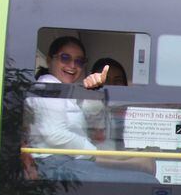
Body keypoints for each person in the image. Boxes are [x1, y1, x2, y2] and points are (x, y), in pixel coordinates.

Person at [25, 36, 154, 181]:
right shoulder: (48, 85)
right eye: (65, 58)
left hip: (69, 162)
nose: (73, 65)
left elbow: (91, 113)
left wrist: (95, 88)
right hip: (53, 164)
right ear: (49, 60)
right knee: (145, 181)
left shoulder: (66, 92)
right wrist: (94, 153)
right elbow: (55, 134)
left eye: (79, 61)